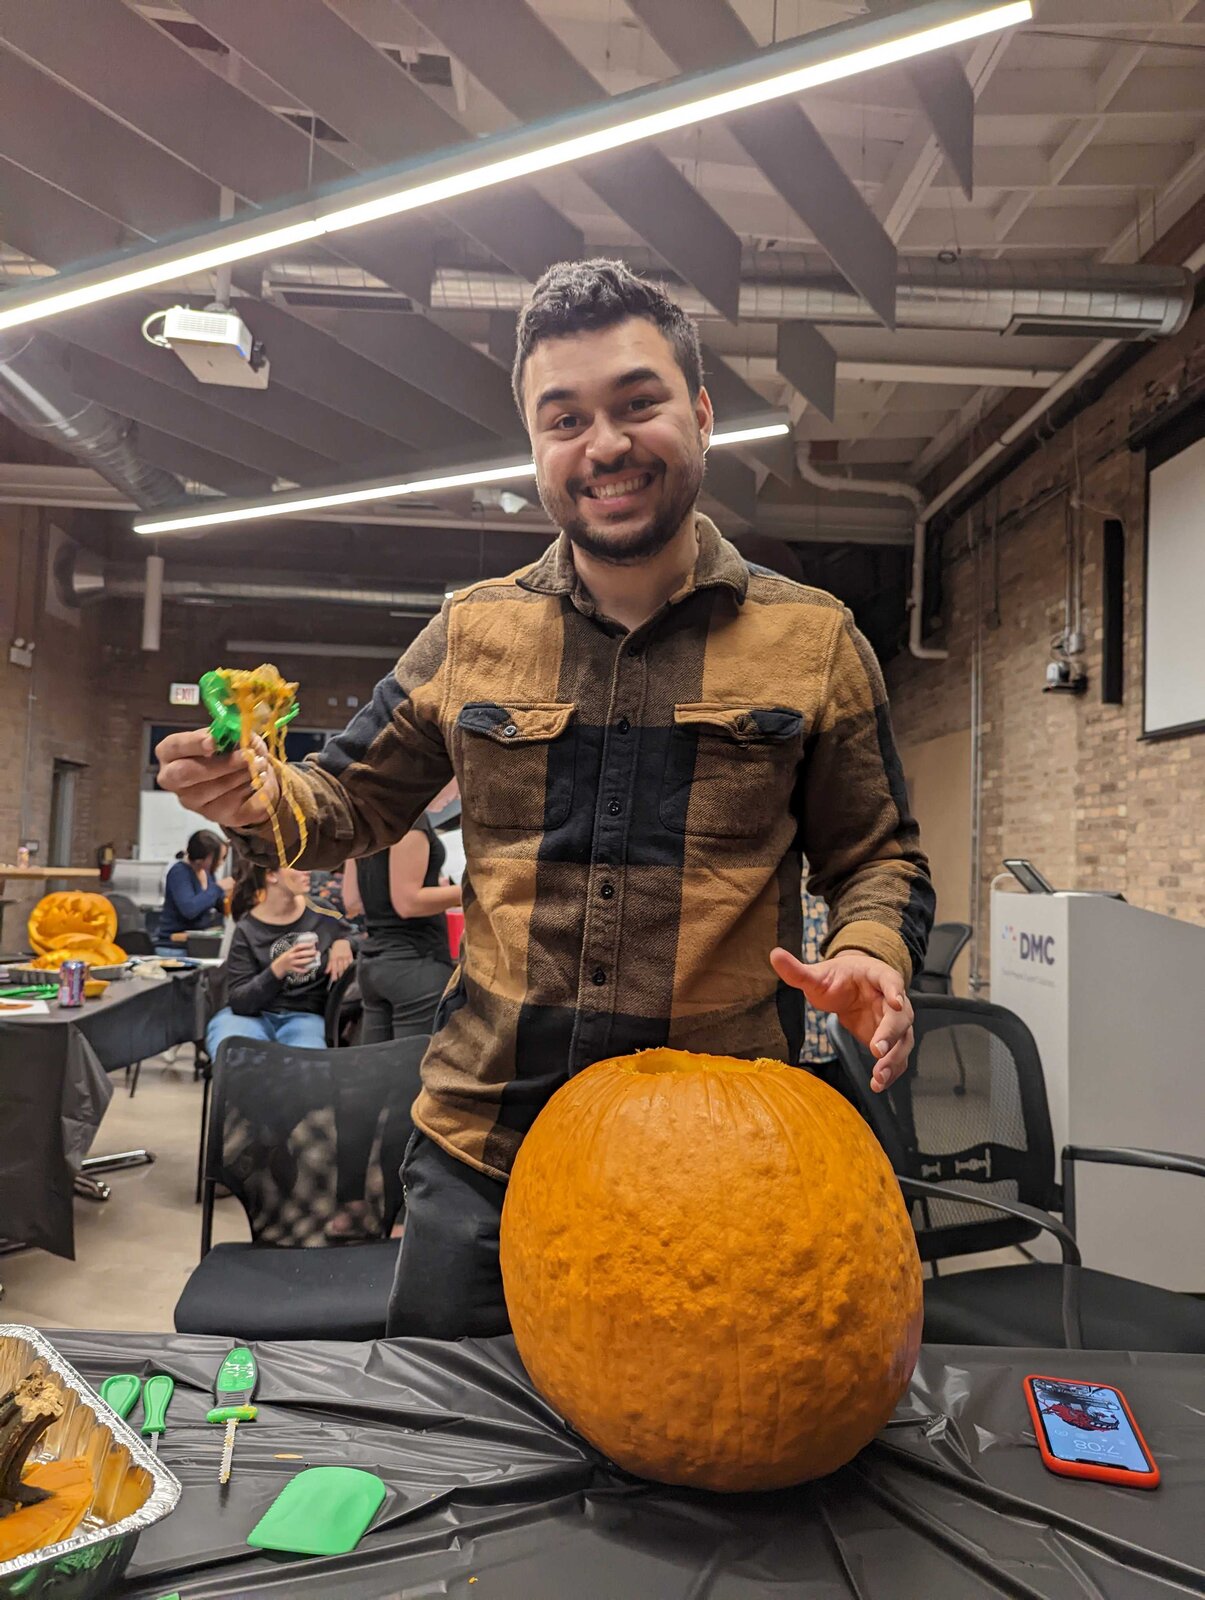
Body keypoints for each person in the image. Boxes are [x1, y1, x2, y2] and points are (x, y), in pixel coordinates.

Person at [156, 258, 934, 1340]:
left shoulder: (811, 642)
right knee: (459, 1475)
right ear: (534, 445)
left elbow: (877, 857)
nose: (602, 444)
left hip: (716, 1165)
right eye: (563, 417)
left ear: (700, 415)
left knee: (698, 1469)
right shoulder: (473, 632)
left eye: (635, 403)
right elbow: (346, 800)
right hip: (487, 1159)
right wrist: (252, 792)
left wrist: (869, 952)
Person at [342, 794, 462, 1045]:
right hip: (414, 963)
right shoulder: (410, 820)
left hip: (374, 965)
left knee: (378, 1071)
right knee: (413, 1074)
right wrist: (469, 890)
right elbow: (407, 903)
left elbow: (352, 900)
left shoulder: (366, 818)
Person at [205, 859, 355, 1055]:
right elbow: (240, 1001)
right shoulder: (247, 928)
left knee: (307, 1065)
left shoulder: (322, 912)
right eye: (296, 865)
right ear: (271, 875)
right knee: (234, 1054)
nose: (307, 870)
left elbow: (361, 936)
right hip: (253, 1016)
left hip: (304, 1016)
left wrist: (345, 942)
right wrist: (277, 970)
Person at [157, 829, 232, 949]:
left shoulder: (208, 874)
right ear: (202, 857)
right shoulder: (179, 872)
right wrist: (218, 888)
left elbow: (217, 902)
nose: (221, 863)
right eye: (218, 858)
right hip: (175, 947)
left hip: (198, 944)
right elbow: (189, 909)